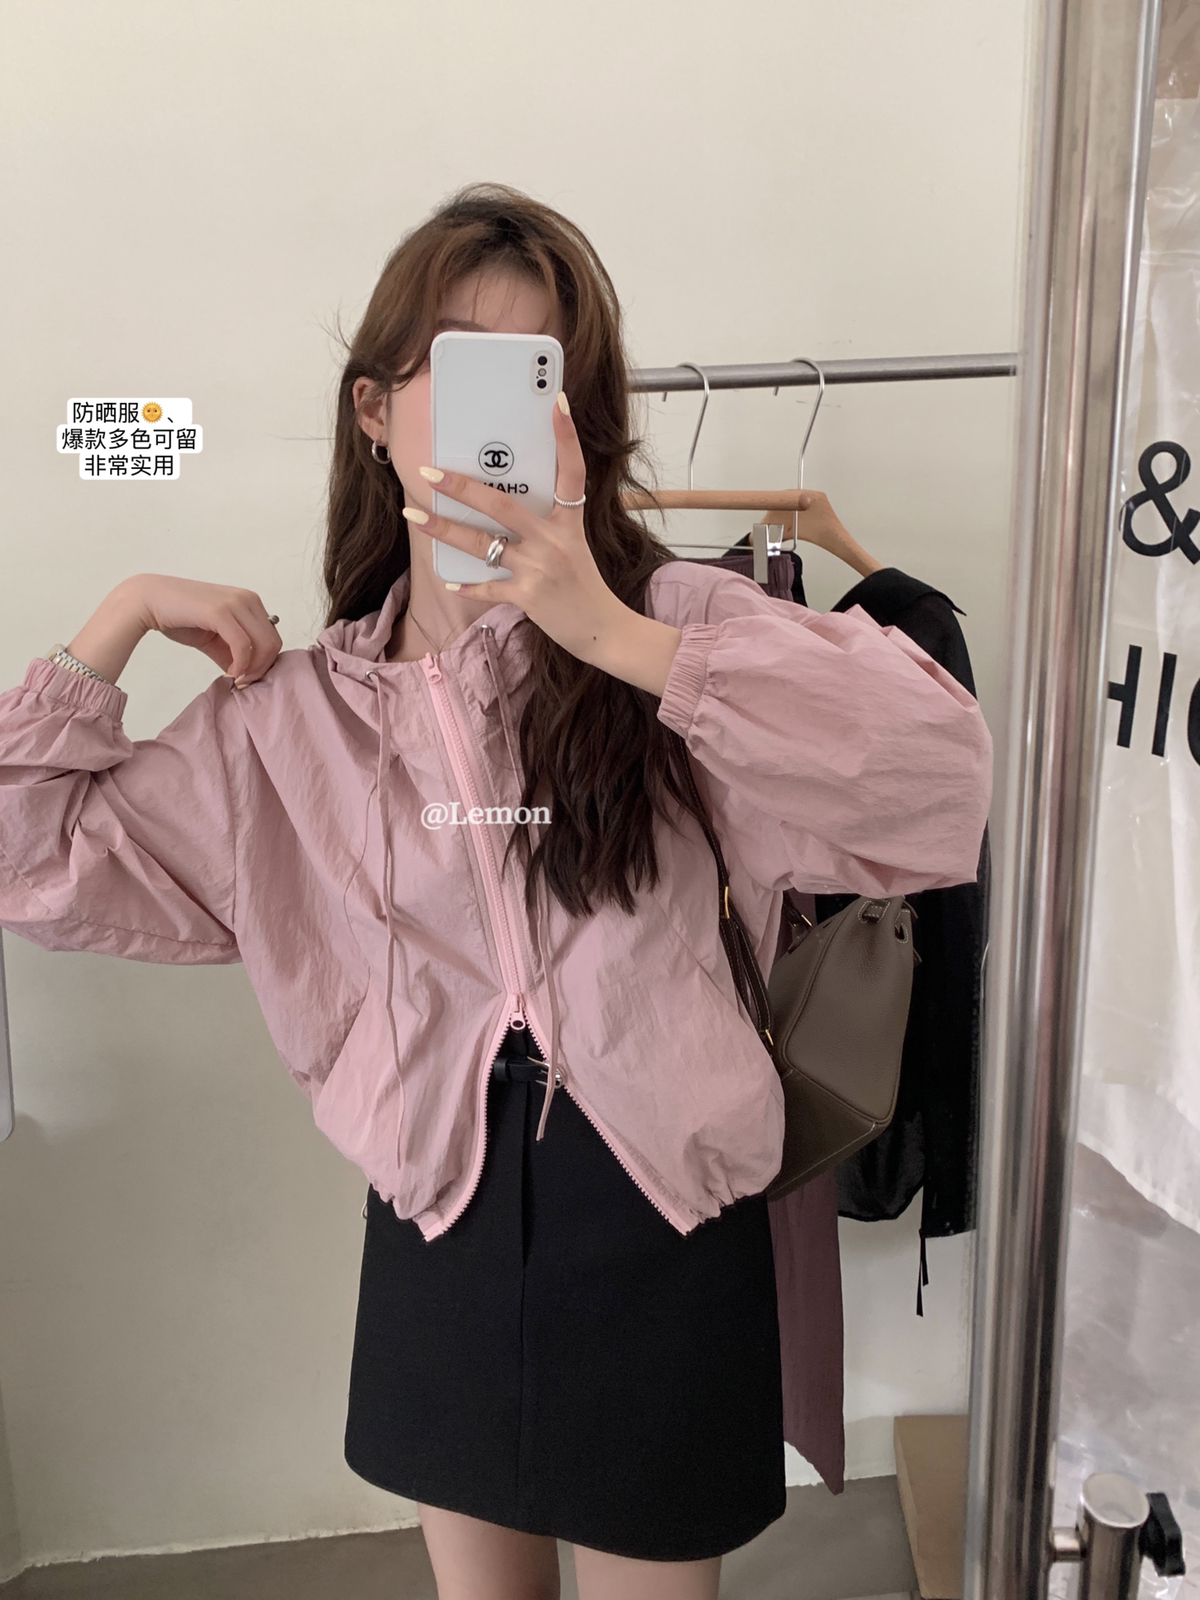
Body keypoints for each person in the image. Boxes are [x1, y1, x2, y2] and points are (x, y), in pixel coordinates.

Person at [0, 185, 992, 1600]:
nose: (512, 420)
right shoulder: (291, 723)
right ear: (374, 409)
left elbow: (940, 776)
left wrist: (612, 634)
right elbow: (27, 853)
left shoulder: (678, 626)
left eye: (548, 380)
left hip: (662, 1218)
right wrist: (119, 620)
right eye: (473, 371)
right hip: (439, 1223)